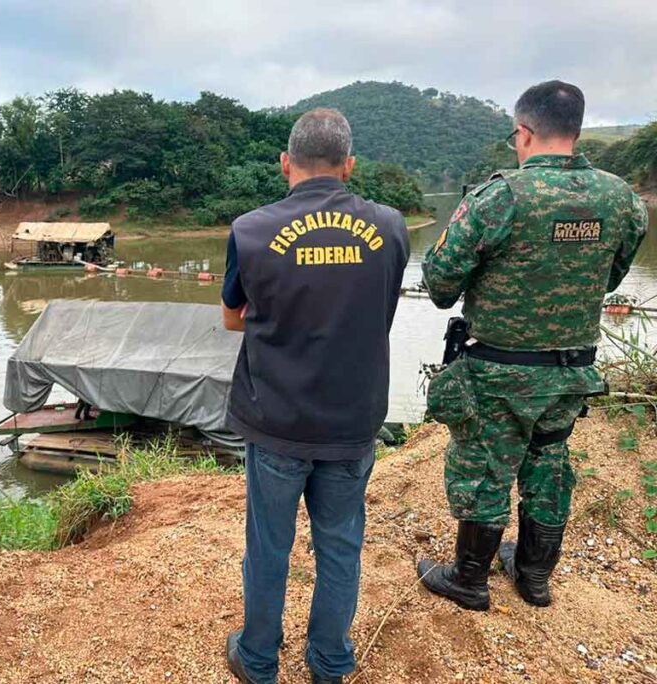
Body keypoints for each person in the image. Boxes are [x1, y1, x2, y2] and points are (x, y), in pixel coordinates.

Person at [417, 81, 648, 611]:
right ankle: (534, 578)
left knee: (486, 469)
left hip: (499, 373)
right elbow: (611, 279)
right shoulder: (620, 198)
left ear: (523, 133)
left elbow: (440, 285)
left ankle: (469, 579)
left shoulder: (500, 197)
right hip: (572, 369)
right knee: (549, 461)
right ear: (577, 130)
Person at [221, 109, 410, 684]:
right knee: (340, 545)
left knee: (269, 547)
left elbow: (233, 320)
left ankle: (257, 661)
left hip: (278, 418)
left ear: (285, 164)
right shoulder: (392, 226)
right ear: (349, 166)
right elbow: (379, 309)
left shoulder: (251, 230)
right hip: (352, 421)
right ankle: (330, 662)